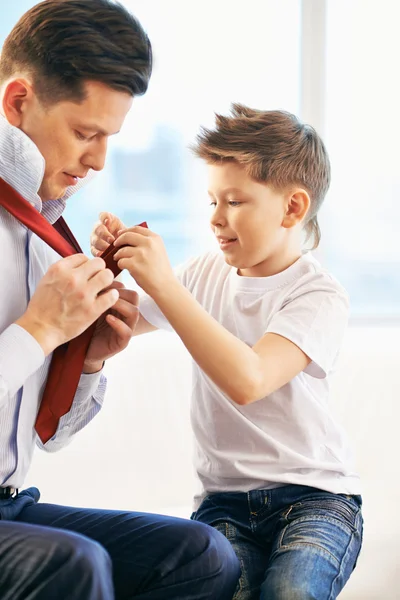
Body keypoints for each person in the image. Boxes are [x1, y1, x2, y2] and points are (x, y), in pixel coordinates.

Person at [0, 2, 240, 599]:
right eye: (85, 133)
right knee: (71, 565)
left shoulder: (42, 234)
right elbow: (32, 337)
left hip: (9, 504)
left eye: (110, 137)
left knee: (203, 556)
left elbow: (49, 436)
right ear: (17, 102)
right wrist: (38, 330)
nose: (99, 160)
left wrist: (86, 358)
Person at [91, 104, 363, 600]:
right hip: (223, 505)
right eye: (212, 201)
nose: (216, 218)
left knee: (290, 593)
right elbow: (122, 322)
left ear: (292, 208)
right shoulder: (201, 273)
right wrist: (109, 269)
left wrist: (168, 287)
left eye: (235, 201)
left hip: (315, 500)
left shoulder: (317, 295)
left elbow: (250, 379)